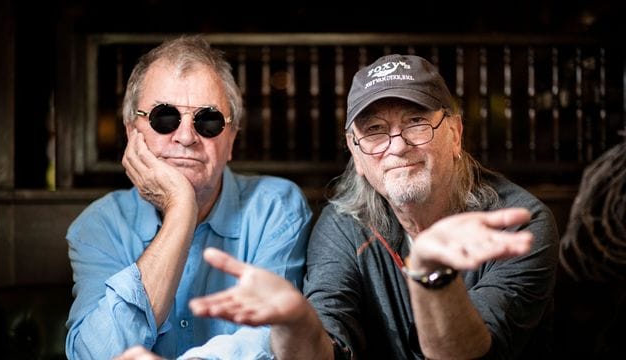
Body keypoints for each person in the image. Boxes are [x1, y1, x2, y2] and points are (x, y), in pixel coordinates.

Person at [118, 54, 560, 360]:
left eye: (417, 122)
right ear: (355, 150)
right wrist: (293, 323)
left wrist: (431, 273)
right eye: (374, 129)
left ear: (456, 133)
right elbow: (325, 348)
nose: (397, 145)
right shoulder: (345, 223)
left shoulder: (522, 224)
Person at [64, 34, 312, 360]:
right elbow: (94, 354)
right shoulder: (98, 226)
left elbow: (273, 339)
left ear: (232, 139)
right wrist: (181, 210)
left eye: (207, 121)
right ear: (131, 133)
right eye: (163, 117)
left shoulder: (276, 208)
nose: (185, 137)